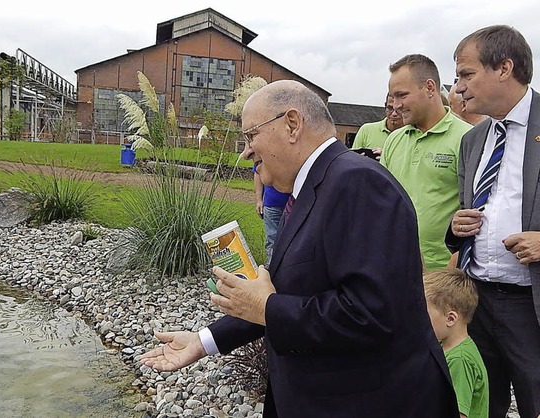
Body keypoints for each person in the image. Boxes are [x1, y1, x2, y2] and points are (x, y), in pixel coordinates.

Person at [141, 80, 458, 417]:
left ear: (291, 124)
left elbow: (371, 313)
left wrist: (268, 308)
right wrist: (202, 341)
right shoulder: (314, 186)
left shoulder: (359, 183)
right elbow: (287, 291)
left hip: (367, 401)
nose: (245, 152)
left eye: (251, 136)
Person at [445, 25, 540, 418]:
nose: (460, 87)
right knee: (482, 404)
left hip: (530, 307)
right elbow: (467, 215)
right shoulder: (473, 139)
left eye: (467, 74)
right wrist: (456, 229)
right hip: (476, 299)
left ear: (504, 67)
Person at [380, 54, 472, 270]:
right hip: (395, 268)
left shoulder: (467, 138)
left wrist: (452, 271)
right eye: (392, 97)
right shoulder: (395, 139)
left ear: (430, 88)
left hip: (443, 274)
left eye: (401, 95)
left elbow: (475, 212)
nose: (395, 105)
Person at [423, 268, 489, 418]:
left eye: (424, 314)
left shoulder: (459, 360)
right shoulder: (452, 347)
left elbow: (458, 412)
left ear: (451, 318)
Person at [254, 166, 291, 267]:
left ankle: (288, 268)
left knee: (293, 237)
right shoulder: (265, 154)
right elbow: (257, 173)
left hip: (293, 203)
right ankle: (272, 269)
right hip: (271, 204)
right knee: (272, 238)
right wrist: (259, 200)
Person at [351, 94, 404, 160]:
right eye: (390, 108)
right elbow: (352, 160)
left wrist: (386, 157)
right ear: (385, 106)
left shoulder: (413, 134)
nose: (394, 114)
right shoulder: (366, 130)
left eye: (399, 109)